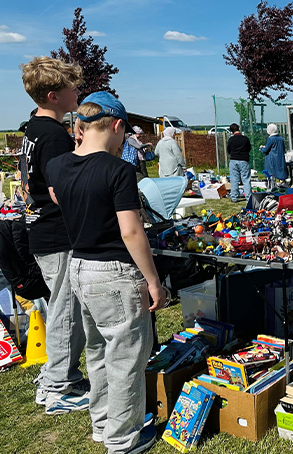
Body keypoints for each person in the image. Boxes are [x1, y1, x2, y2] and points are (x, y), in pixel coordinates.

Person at [46, 92, 166, 454]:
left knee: (97, 352)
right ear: (116, 126)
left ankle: (102, 425)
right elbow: (131, 231)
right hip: (114, 272)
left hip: (79, 266)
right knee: (126, 357)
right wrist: (153, 280)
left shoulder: (58, 166)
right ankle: (122, 440)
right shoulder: (118, 170)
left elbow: (56, 197)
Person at [19, 56, 90, 413]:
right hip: (57, 232)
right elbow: (63, 189)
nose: (78, 91)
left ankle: (56, 376)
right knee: (67, 308)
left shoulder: (33, 128)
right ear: (52, 95)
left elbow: (31, 182)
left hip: (39, 228)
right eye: (72, 87)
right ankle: (59, 385)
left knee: (62, 305)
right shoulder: (53, 136)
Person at [227, 123, 252, 203]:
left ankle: (234, 197)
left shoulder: (231, 139)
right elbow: (249, 148)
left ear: (231, 131)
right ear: (239, 129)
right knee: (246, 179)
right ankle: (248, 197)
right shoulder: (245, 139)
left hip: (234, 160)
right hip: (244, 160)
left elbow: (229, 150)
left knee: (234, 179)